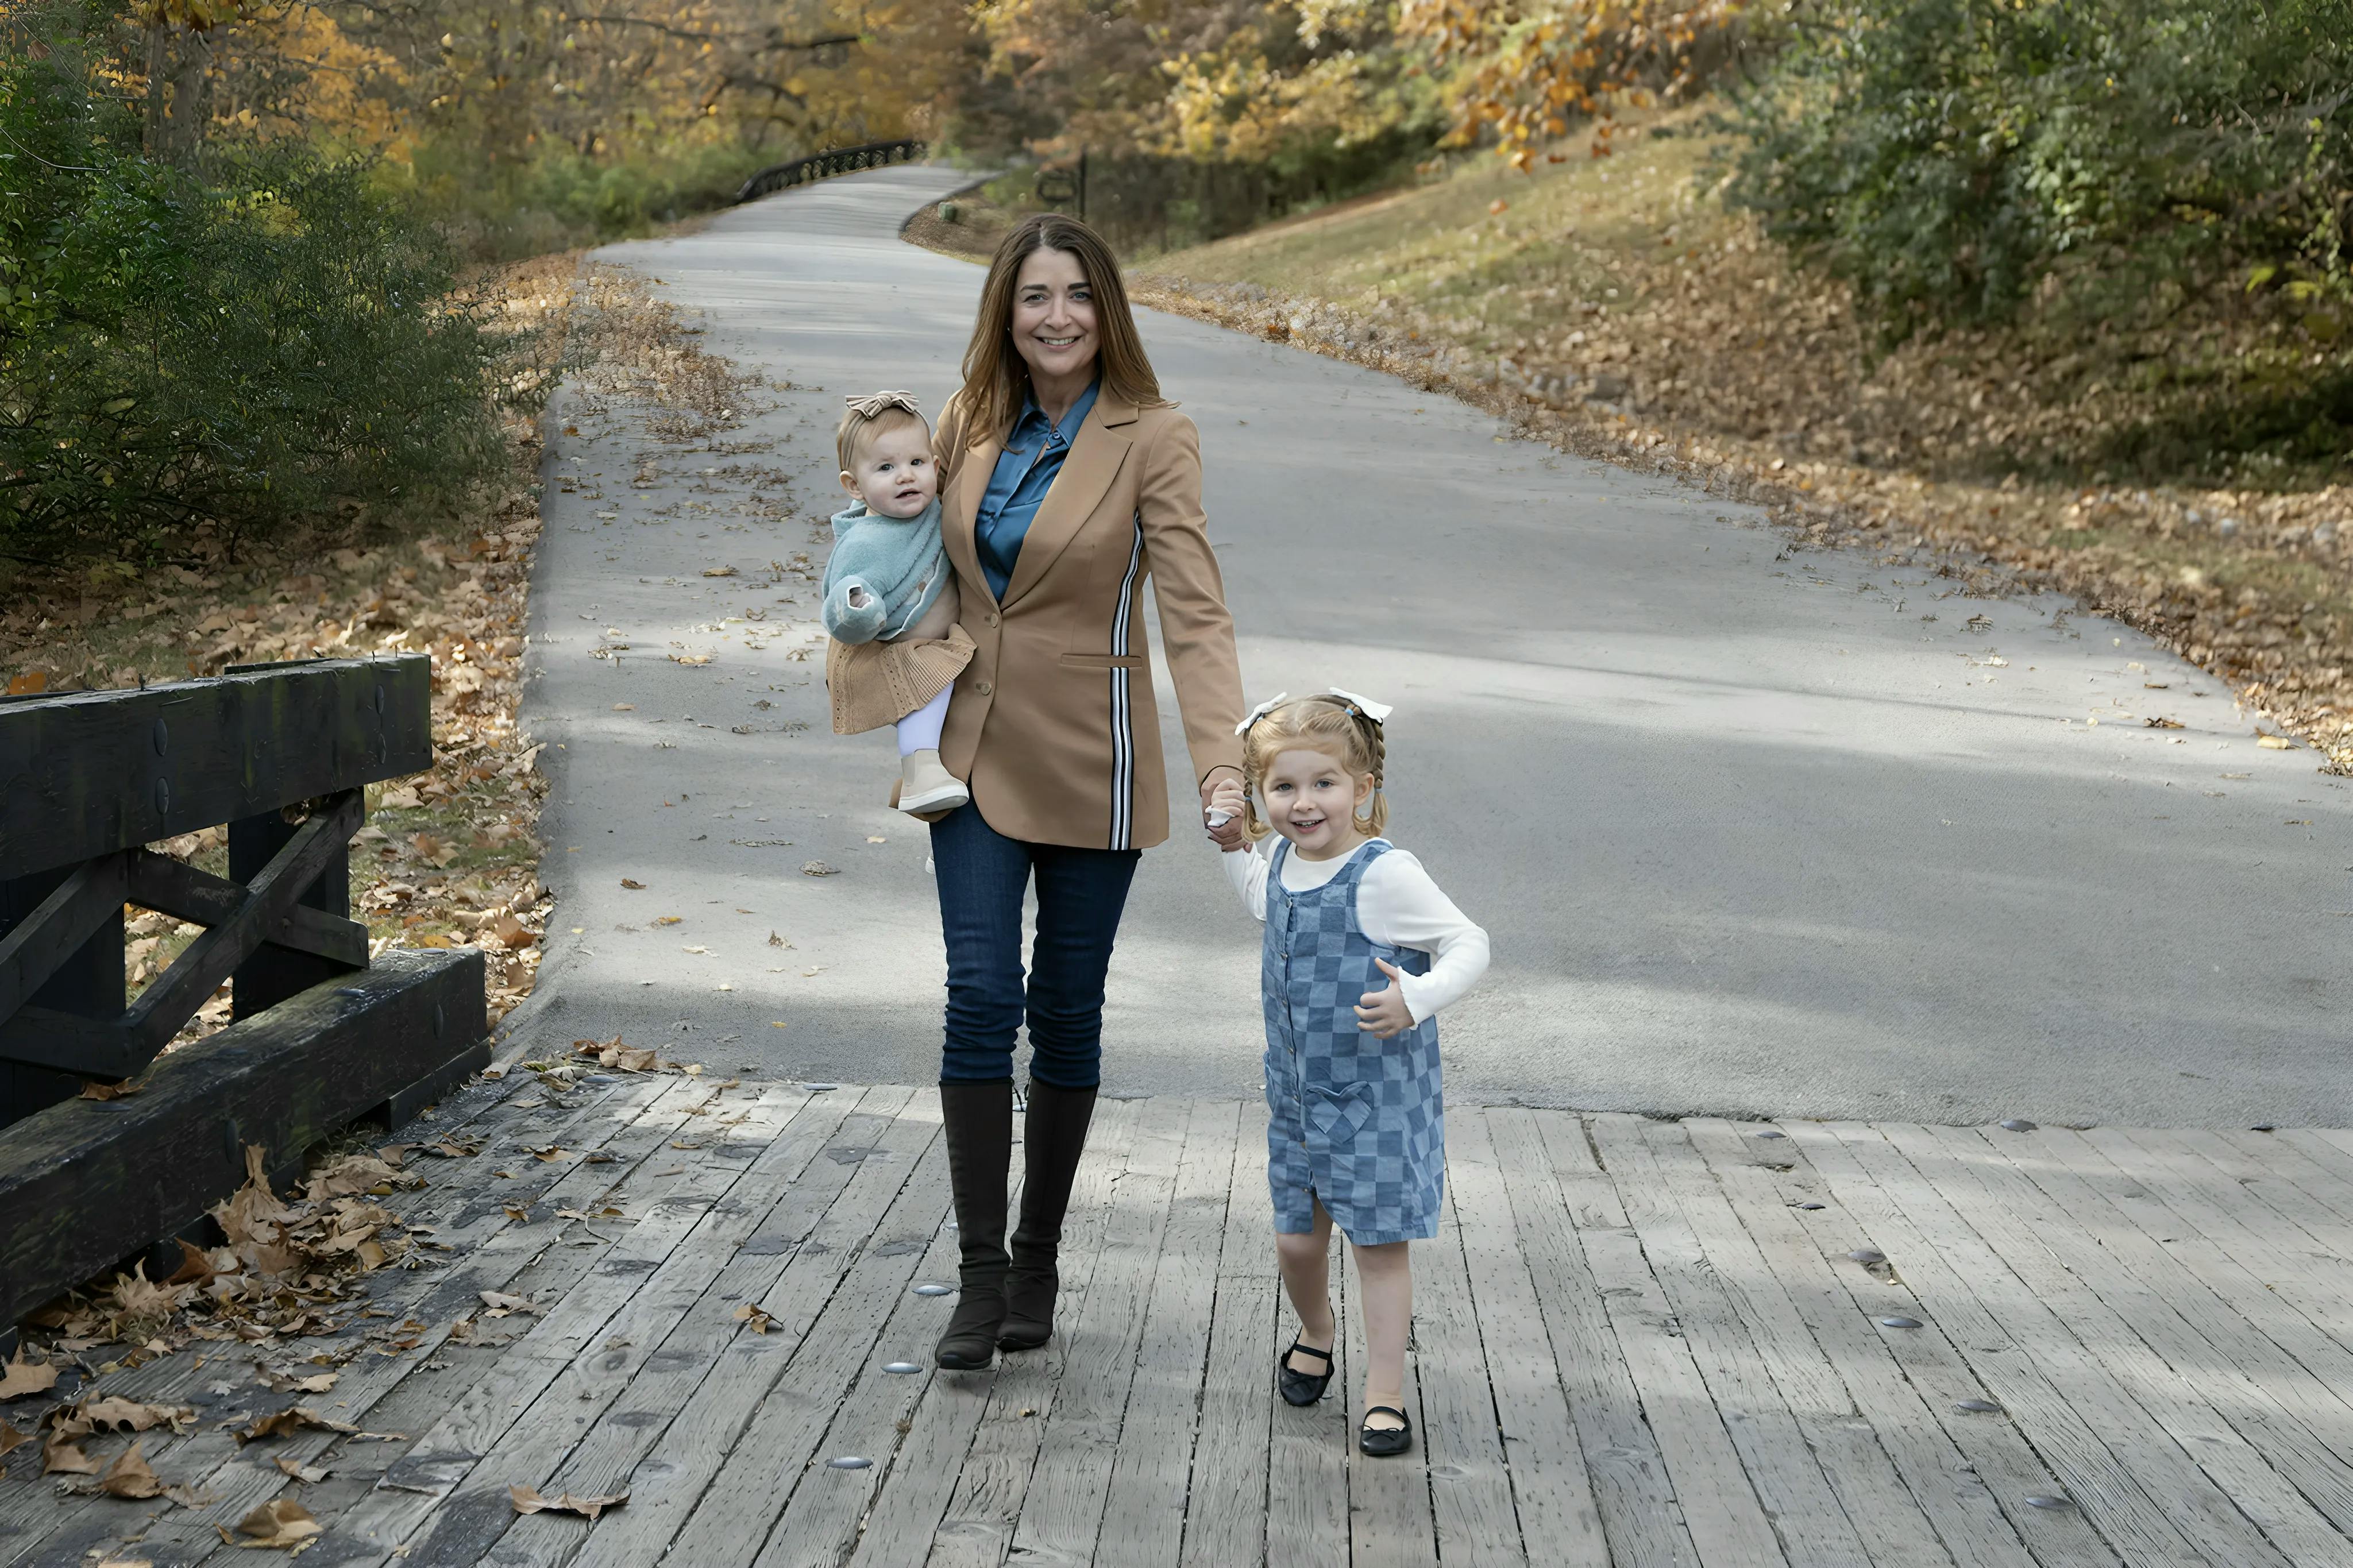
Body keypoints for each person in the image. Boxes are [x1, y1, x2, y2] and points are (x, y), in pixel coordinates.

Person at [924, 213, 1247, 1370]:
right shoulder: (964, 425)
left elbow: (1194, 614)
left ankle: (1037, 1252)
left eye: (1075, 295)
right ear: (1003, 317)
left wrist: (1225, 756)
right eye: (1032, 298)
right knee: (977, 993)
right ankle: (974, 1276)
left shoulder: (1154, 436)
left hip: (1095, 757)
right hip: (967, 752)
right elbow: (905, 562)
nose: (1054, 317)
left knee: (1064, 1009)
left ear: (1105, 309)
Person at [1208, 692, 1489, 1457]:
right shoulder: (1284, 861)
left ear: (1361, 787)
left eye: (1324, 783)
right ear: (1264, 795)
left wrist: (1417, 996)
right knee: (1297, 1241)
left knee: (1377, 1245)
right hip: (1298, 1099)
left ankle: (1385, 1392)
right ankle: (1316, 1329)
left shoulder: (1385, 873)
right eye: (1285, 787)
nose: (1305, 803)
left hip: (1375, 1101)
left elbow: (1470, 941)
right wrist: (1235, 845)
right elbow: (1266, 904)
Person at [821, 391, 976, 816]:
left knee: (959, 728)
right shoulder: (868, 540)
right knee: (928, 690)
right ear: (854, 485)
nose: (905, 476)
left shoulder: (932, 511)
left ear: (936, 467)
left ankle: (935, 803)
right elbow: (842, 594)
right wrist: (856, 603)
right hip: (901, 652)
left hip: (943, 639)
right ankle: (919, 771)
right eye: (886, 468)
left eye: (916, 463)